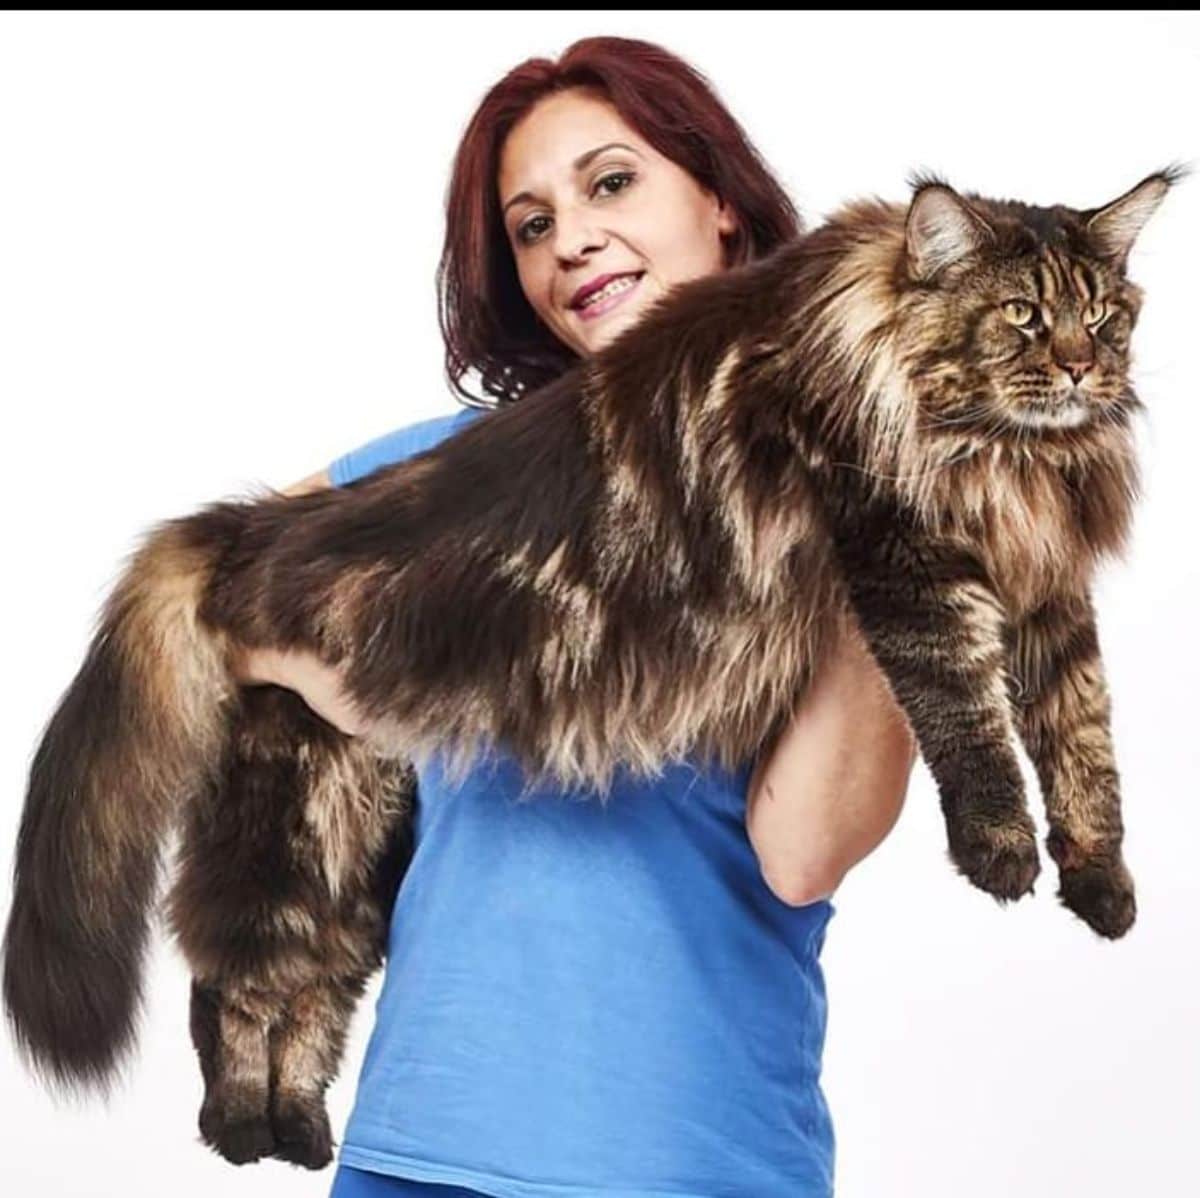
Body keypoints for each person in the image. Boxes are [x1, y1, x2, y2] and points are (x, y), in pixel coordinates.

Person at [235, 36, 917, 1198]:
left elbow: (802, 857)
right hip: (418, 1152)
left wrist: (875, 496)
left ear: (719, 202)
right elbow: (221, 599)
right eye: (531, 224)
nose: (573, 240)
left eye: (611, 183)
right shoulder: (459, 470)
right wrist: (409, 681)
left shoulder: (859, 481)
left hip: (682, 1154)